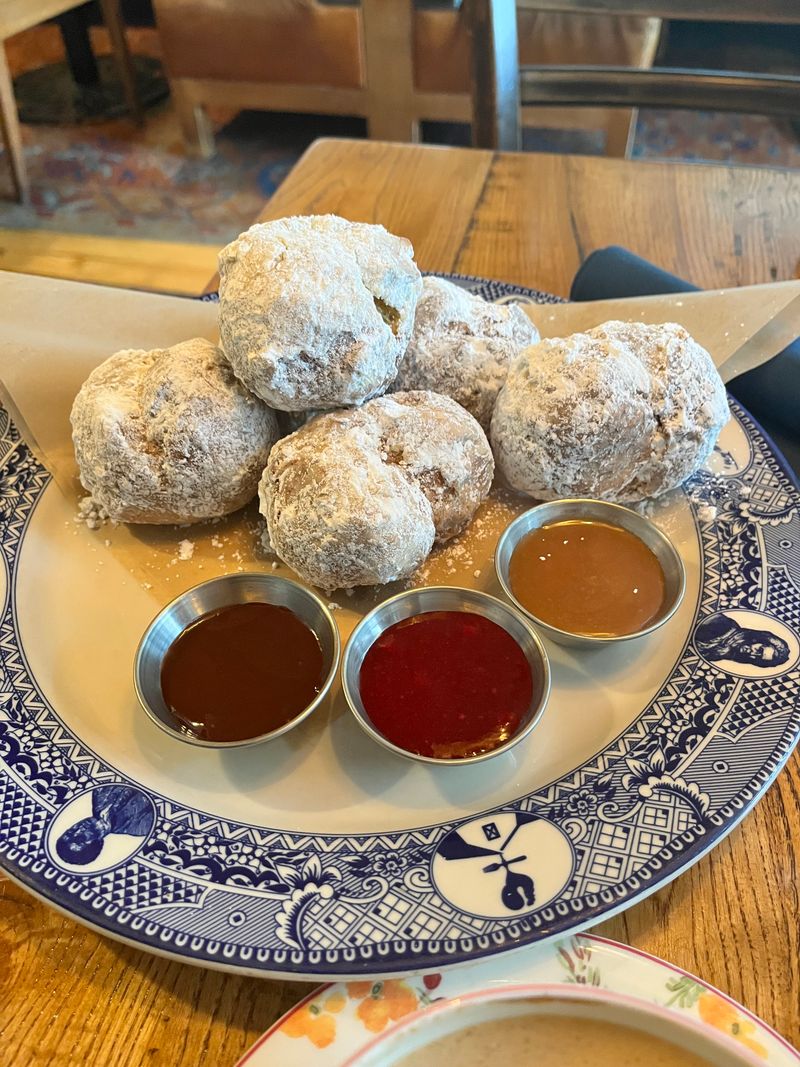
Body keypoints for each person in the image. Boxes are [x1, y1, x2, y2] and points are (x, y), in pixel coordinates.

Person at [55, 785, 153, 866]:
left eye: (70, 831)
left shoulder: (98, 792)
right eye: (80, 838)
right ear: (97, 844)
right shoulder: (141, 827)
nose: (79, 829)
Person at [695, 613, 790, 669]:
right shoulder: (723, 624)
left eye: (757, 658)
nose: (752, 654)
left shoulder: (718, 655)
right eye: (759, 650)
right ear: (757, 639)